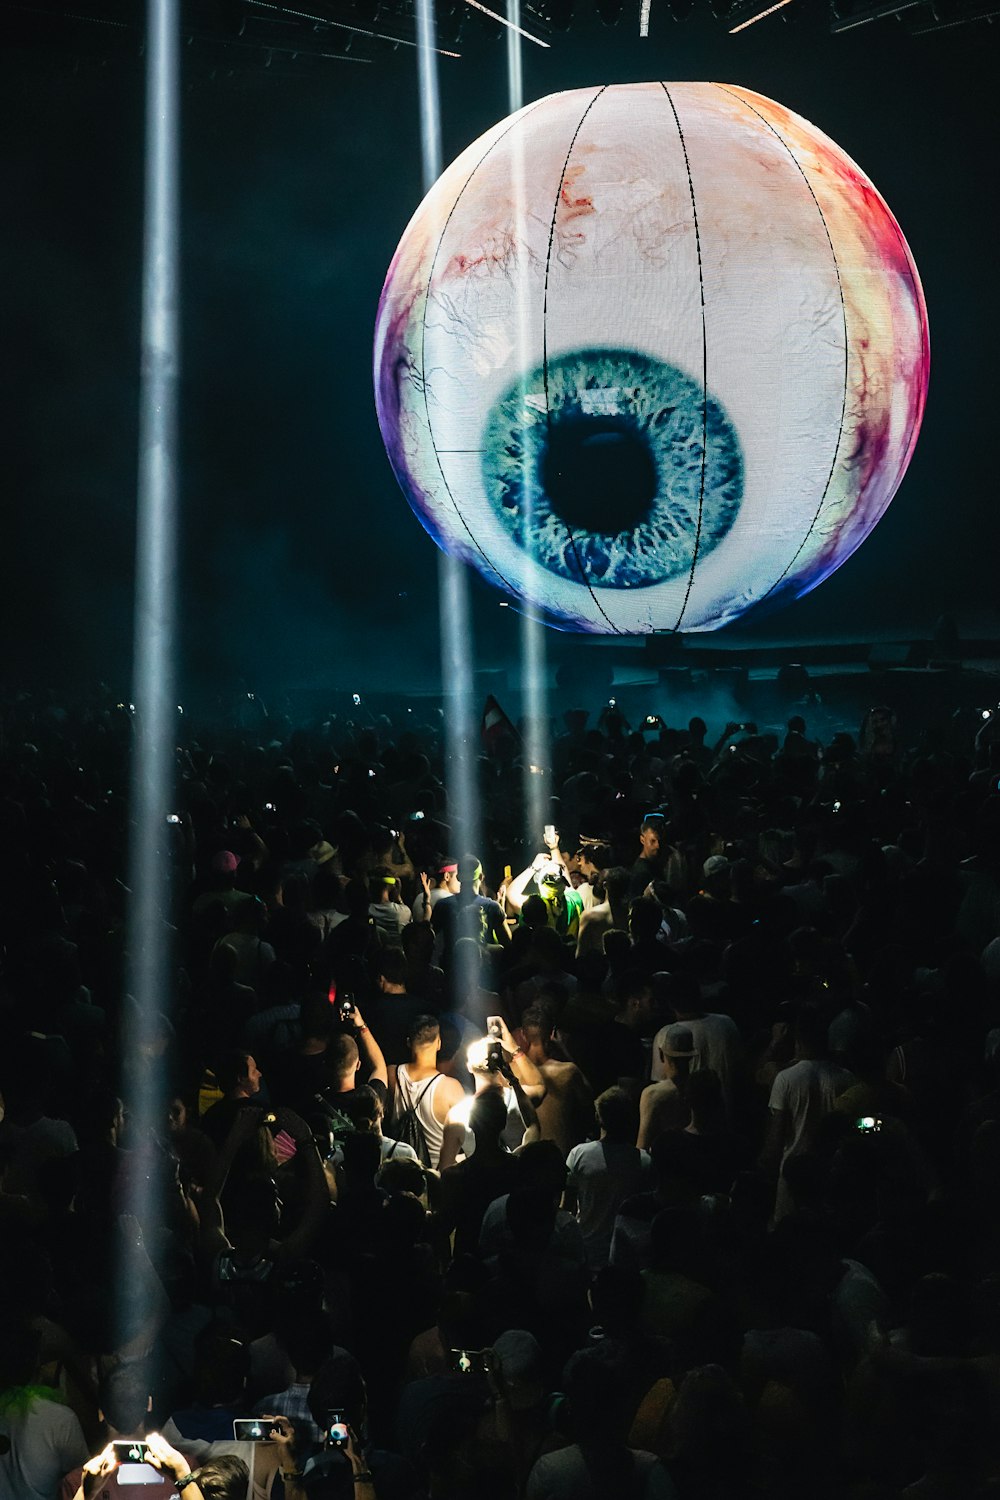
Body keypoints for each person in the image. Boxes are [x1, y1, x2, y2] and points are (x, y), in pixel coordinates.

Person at [565, 1087, 652, 1267]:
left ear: (598, 1118)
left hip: (588, 1250)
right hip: (626, 1255)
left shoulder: (578, 1154)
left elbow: (568, 1207)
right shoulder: (644, 1161)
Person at [387, 1016, 466, 1170]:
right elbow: (466, 1139)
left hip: (399, 1172)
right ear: (439, 1044)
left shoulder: (391, 1075)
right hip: (435, 1176)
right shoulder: (450, 1088)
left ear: (409, 1042)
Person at [517, 1002, 594, 1157]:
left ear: (523, 1035)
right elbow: (589, 1102)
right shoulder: (568, 1071)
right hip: (562, 1155)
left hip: (526, 1157)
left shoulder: (514, 1075)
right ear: (552, 1034)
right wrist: (564, 1051)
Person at [637, 1028, 696, 1150]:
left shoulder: (653, 1094)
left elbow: (642, 1147)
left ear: (661, 1054)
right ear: (691, 1056)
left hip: (663, 1162)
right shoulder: (700, 1087)